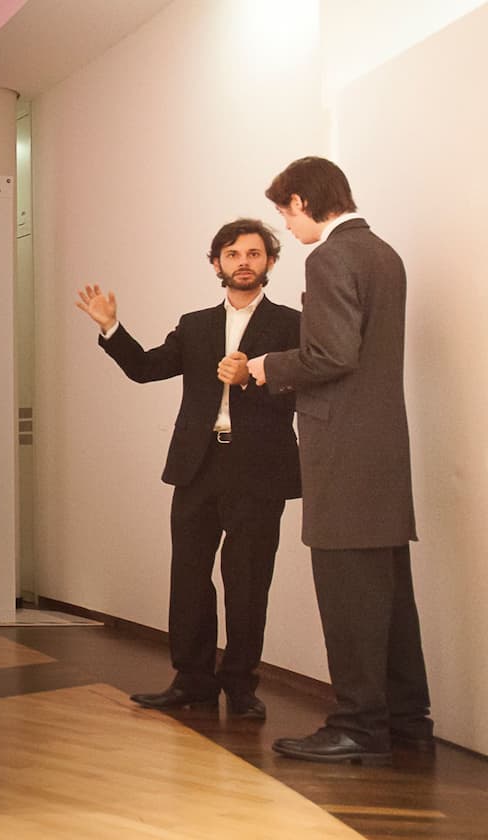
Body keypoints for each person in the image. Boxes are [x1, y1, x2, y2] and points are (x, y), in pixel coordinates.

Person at [245, 156, 432, 764]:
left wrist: (268, 366)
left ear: (300, 200)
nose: (287, 227)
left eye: (283, 213)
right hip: (381, 450)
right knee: (389, 598)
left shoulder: (329, 256)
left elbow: (331, 355)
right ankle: (406, 721)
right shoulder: (384, 253)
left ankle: (358, 726)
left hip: (344, 453)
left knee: (350, 596)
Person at [75, 218, 301, 720]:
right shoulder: (195, 324)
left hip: (259, 467)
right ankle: (193, 679)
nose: (243, 261)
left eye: (254, 253)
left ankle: (241, 685)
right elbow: (145, 368)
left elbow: (306, 386)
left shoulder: (292, 324)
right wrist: (111, 328)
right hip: (198, 465)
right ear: (216, 263)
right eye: (233, 253)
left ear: (269, 263)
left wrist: (253, 379)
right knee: (189, 576)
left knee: (247, 580)